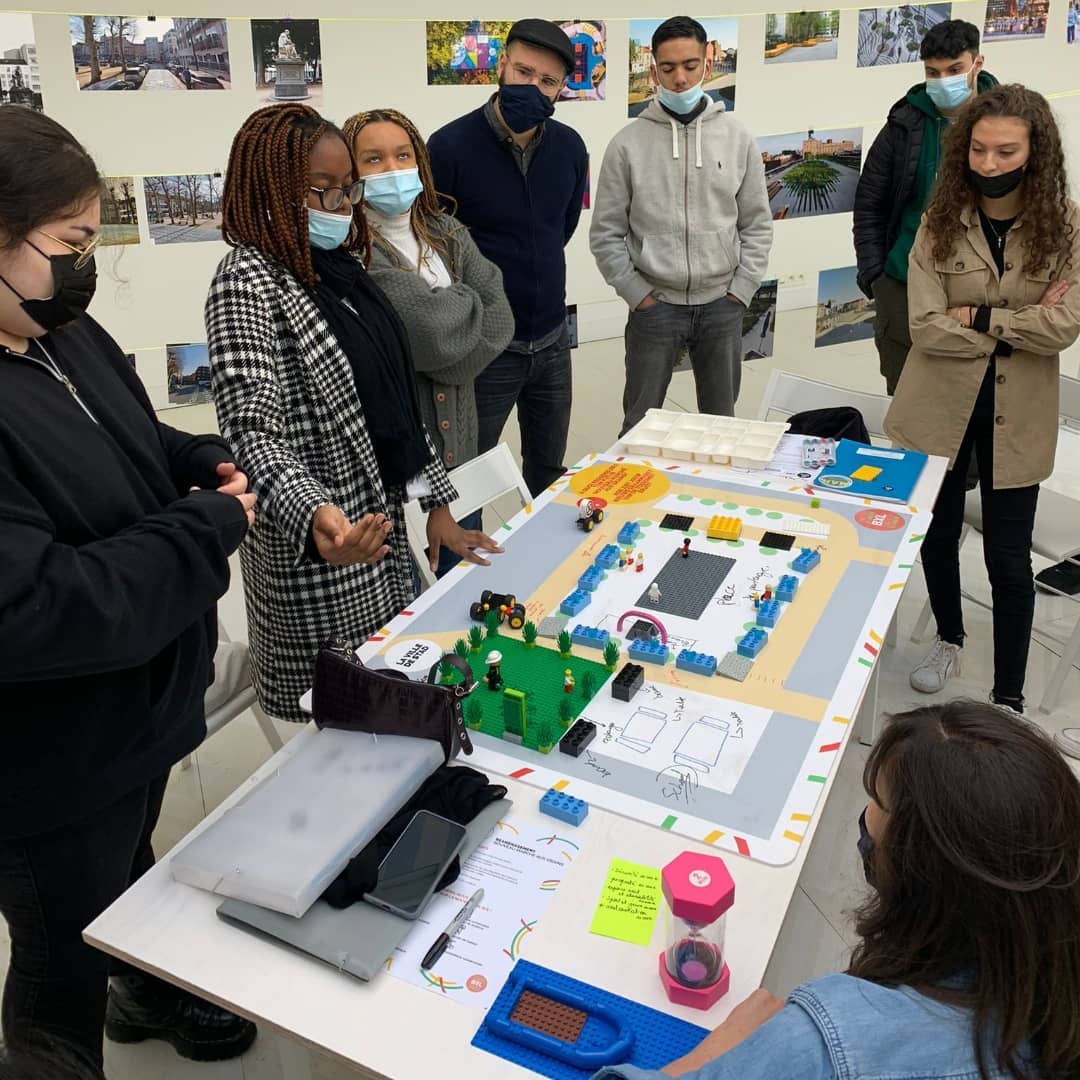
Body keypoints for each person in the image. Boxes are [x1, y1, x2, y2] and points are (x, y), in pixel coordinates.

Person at [0, 109, 256, 1075]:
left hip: (135, 712)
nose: (84, 268)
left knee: (127, 863)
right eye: (67, 243)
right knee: (58, 962)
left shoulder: (52, 328)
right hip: (45, 761)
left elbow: (131, 437)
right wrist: (207, 524)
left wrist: (201, 458)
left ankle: (143, 988)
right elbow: (41, 608)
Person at [590, 700, 1080, 1079]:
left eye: (878, 800)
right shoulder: (1050, 987)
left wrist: (707, 1057)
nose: (866, 815)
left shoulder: (829, 1042)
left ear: (925, 866)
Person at [207, 104, 501, 724]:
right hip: (321, 558)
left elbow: (390, 398)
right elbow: (252, 428)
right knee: (345, 723)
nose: (339, 207)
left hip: (379, 537)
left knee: (400, 698)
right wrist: (315, 514)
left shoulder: (341, 269)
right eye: (321, 191)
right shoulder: (246, 280)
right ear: (271, 188)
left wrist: (438, 504)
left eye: (347, 191)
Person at [884, 84, 1080, 712]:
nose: (989, 164)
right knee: (936, 537)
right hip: (936, 409)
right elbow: (924, 325)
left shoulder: (1067, 227)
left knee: (1007, 556)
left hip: (1016, 414)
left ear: (1036, 152)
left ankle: (1009, 697)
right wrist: (1020, 322)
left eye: (1006, 152)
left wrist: (981, 318)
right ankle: (948, 636)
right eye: (978, 150)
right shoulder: (939, 223)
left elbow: (1066, 325)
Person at [341, 107, 513, 577]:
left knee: (467, 584)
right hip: (402, 468)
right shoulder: (354, 253)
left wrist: (441, 324)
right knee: (416, 588)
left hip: (463, 450)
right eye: (373, 160)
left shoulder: (445, 230)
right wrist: (458, 313)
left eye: (402, 155)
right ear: (349, 172)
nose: (392, 169)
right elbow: (437, 338)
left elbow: (501, 320)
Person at [428, 19, 589, 496]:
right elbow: (435, 249)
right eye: (523, 72)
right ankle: (462, 571)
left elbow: (561, 229)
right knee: (468, 484)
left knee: (547, 468)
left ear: (562, 88)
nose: (532, 87)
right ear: (501, 66)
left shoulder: (570, 148)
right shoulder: (448, 147)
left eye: (547, 81)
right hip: (485, 350)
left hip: (552, 341)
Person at [590, 15, 772, 435]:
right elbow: (605, 233)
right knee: (639, 426)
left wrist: (740, 290)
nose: (680, 78)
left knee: (721, 426)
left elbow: (757, 224)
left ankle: (711, 500)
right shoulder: (627, 144)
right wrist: (638, 295)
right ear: (654, 70)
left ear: (708, 64)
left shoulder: (738, 137)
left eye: (690, 65)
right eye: (668, 68)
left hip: (722, 307)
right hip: (656, 308)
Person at [853, 19, 998, 395]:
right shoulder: (904, 123)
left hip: (979, 295)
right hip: (904, 288)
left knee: (973, 413)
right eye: (933, 72)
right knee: (909, 407)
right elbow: (869, 204)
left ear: (977, 64)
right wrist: (876, 277)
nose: (943, 80)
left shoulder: (1008, 123)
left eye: (954, 70)